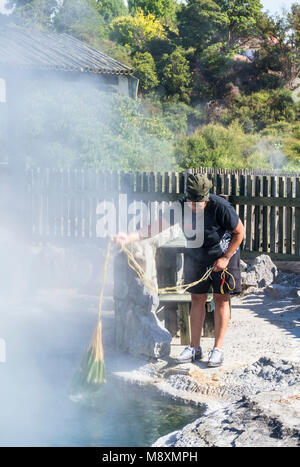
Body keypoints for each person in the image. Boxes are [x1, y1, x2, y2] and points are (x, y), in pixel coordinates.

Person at [114, 173, 245, 367]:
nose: (196, 205)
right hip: (197, 254)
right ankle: (194, 348)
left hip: (225, 252)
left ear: (207, 196)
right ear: (187, 196)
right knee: (197, 298)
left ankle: (217, 350)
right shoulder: (179, 207)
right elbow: (154, 228)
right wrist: (130, 237)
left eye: (200, 201)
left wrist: (225, 258)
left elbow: (239, 232)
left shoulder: (221, 207)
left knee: (220, 299)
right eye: (192, 201)